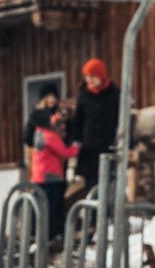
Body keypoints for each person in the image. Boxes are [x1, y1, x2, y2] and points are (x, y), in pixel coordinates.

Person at [68, 57, 121, 193]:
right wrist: (75, 140)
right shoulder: (84, 95)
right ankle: (93, 213)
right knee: (91, 185)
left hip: (107, 145)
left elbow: (121, 119)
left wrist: (126, 141)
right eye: (87, 77)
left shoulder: (114, 94)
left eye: (92, 76)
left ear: (100, 76)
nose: (89, 80)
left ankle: (107, 213)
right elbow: (78, 120)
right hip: (89, 148)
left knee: (108, 183)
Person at [30, 109, 79, 244]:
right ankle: (53, 235)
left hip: (39, 177)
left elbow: (58, 130)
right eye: (50, 116)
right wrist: (76, 147)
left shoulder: (39, 133)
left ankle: (37, 233)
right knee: (53, 207)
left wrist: (58, 120)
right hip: (52, 177)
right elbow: (65, 152)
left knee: (40, 206)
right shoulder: (50, 136)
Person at [22, 83, 60, 149]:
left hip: (59, 153)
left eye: (54, 96)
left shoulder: (60, 113)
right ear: (43, 99)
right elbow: (28, 137)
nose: (51, 99)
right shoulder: (36, 114)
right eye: (48, 96)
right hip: (43, 154)